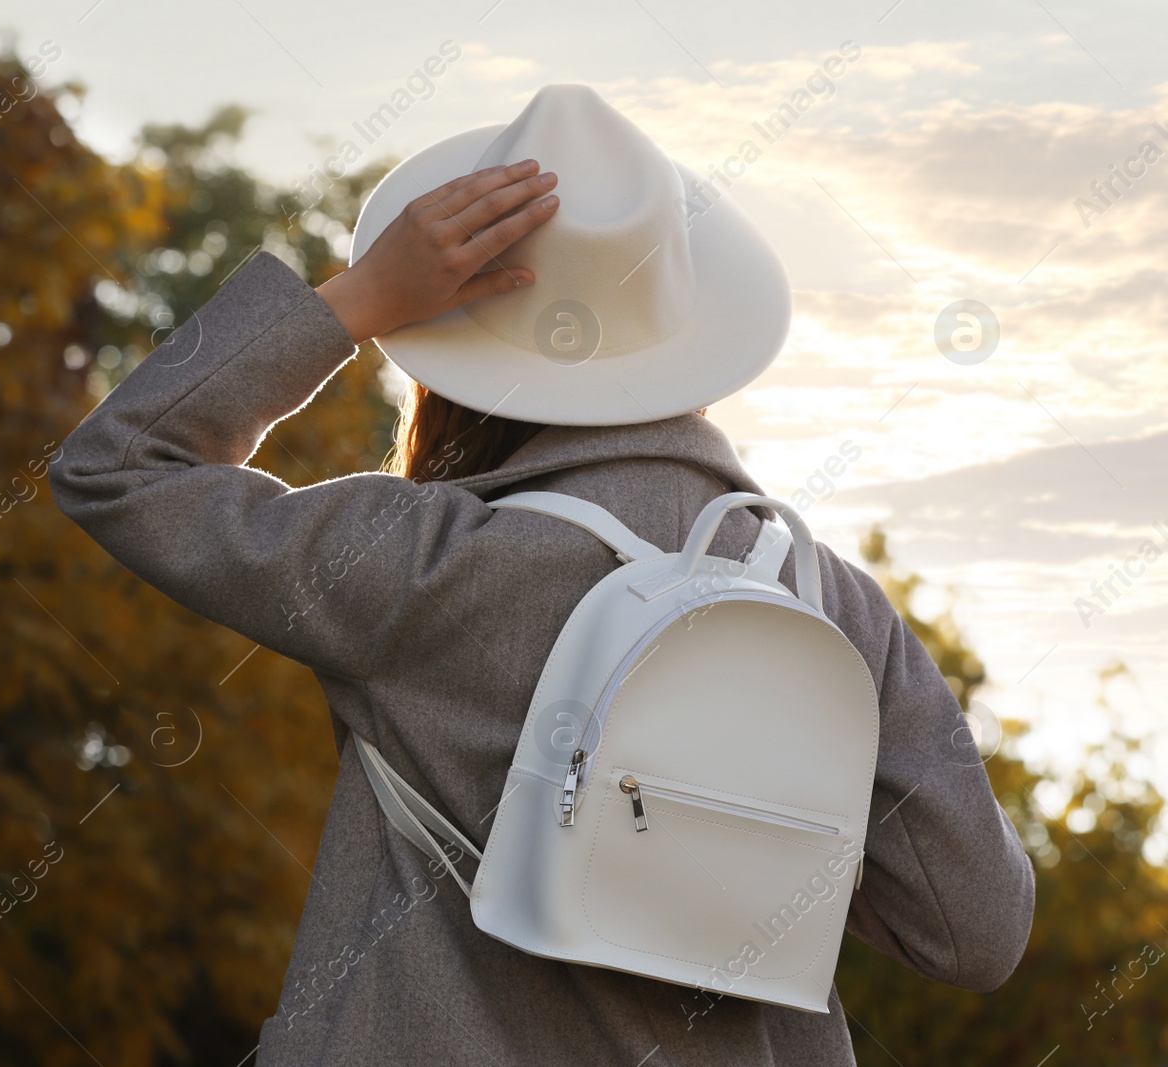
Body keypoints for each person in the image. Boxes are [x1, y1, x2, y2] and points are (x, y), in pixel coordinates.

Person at [50, 85, 1034, 1067]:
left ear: (451, 351)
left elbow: (120, 466)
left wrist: (355, 299)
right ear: (683, 328)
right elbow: (976, 932)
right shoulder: (830, 606)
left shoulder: (418, 564)